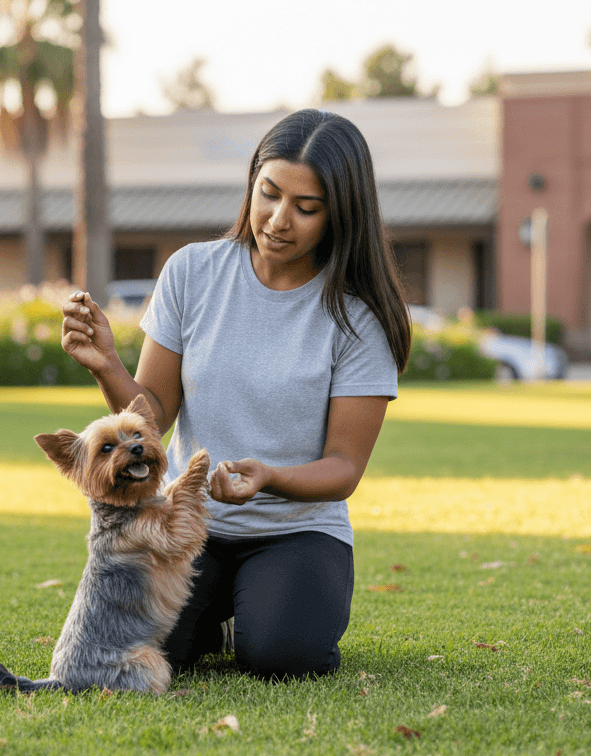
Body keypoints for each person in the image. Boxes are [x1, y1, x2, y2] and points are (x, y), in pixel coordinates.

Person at [60, 108, 411, 680]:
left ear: (340, 214)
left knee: (281, 657)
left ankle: (266, 604)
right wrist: (106, 366)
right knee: (148, 650)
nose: (278, 219)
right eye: (268, 193)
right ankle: (222, 609)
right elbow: (154, 412)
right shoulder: (191, 272)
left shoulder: (357, 317)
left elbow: (344, 467)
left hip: (298, 530)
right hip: (187, 523)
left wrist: (269, 476)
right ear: (251, 182)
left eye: (307, 207)